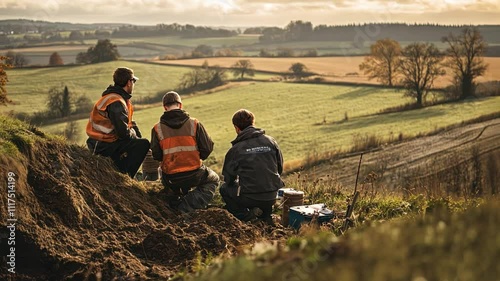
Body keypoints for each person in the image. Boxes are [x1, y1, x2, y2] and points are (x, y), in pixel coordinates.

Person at [151, 91, 219, 213]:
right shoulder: (194, 123)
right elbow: (207, 148)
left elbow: (156, 155)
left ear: (165, 107)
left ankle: (177, 201)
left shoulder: (157, 128)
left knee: (173, 187)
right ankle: (188, 205)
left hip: (170, 177)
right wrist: (197, 157)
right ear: (180, 105)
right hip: (194, 173)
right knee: (214, 179)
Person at [220, 109, 285, 223]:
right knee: (263, 193)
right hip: (272, 195)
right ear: (253, 123)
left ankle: (246, 215)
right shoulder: (271, 141)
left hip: (250, 198)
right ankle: (265, 214)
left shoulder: (236, 149)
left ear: (236, 128)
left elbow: (228, 178)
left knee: (224, 189)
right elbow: (279, 168)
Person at [86, 67, 150, 178]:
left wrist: (136, 135)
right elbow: (123, 133)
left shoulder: (114, 97)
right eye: (133, 81)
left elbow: (128, 123)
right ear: (129, 82)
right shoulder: (117, 102)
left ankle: (119, 172)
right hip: (103, 145)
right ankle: (125, 177)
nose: (133, 84)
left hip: (99, 142)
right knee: (143, 144)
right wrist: (136, 138)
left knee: (138, 142)